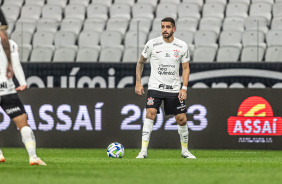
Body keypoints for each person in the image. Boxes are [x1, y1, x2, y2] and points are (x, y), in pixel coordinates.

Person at [135, 17, 196, 159]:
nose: (165, 30)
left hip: (174, 89)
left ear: (174, 29)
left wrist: (184, 88)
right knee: (150, 113)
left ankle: (185, 151)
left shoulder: (181, 46)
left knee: (182, 119)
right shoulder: (152, 44)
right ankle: (143, 151)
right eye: (163, 27)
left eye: (168, 27)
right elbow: (140, 62)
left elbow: (186, 68)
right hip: (155, 87)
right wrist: (138, 82)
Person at [0, 38, 47, 165]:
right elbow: (15, 64)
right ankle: (33, 156)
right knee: (23, 124)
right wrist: (22, 82)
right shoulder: (10, 44)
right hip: (7, 90)